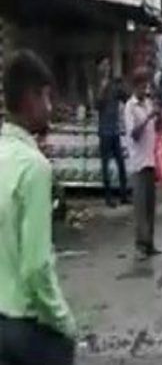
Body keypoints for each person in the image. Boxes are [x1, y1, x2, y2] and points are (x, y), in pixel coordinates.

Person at [0, 50, 77, 364]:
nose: (50, 107)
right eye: (46, 97)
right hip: (25, 328)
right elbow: (36, 266)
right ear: (31, 99)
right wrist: (64, 322)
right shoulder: (35, 168)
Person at [125, 73, 162, 260]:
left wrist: (157, 115)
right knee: (140, 207)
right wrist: (148, 117)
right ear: (135, 86)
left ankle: (150, 243)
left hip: (150, 160)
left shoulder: (147, 104)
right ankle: (140, 245)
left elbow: (156, 128)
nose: (144, 90)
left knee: (150, 206)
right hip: (138, 163)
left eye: (146, 86)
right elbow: (134, 134)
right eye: (141, 86)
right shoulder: (130, 107)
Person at [95, 56, 129, 207]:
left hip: (115, 130)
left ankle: (123, 195)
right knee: (106, 165)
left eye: (108, 64)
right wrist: (102, 88)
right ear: (99, 68)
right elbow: (97, 105)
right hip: (104, 131)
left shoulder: (114, 85)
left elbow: (126, 97)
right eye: (104, 65)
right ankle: (108, 198)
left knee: (121, 164)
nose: (107, 67)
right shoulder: (97, 85)